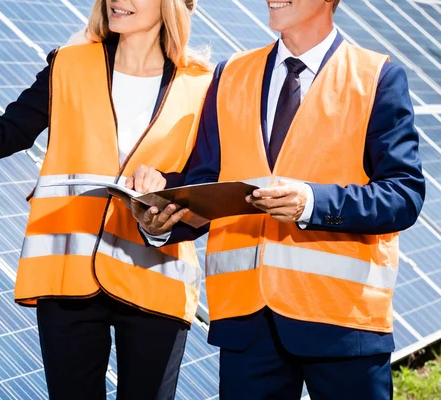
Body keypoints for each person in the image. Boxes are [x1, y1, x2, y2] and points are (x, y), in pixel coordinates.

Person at [0, 0, 212, 398]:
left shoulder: (204, 84)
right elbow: (1, 137)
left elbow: (207, 182)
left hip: (156, 276)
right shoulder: (68, 64)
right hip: (67, 274)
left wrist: (165, 182)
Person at [134, 0, 426, 398]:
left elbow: (403, 194)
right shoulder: (230, 74)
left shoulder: (376, 76)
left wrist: (311, 203)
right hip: (245, 324)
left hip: (342, 320)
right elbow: (207, 180)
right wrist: (163, 223)